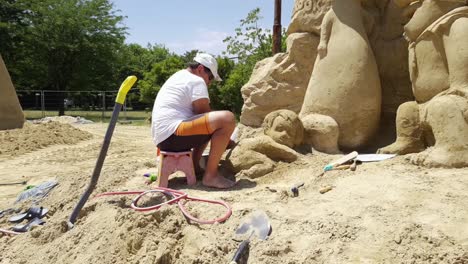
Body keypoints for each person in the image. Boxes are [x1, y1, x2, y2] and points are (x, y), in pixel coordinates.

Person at [151, 52, 236, 189]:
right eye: (210, 78)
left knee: (206, 124)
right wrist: (227, 140)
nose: (209, 83)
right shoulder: (196, 80)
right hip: (173, 135)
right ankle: (211, 176)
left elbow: (203, 119)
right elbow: (204, 113)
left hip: (164, 139)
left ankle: (195, 166)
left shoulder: (178, 76)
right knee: (227, 119)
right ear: (201, 69)